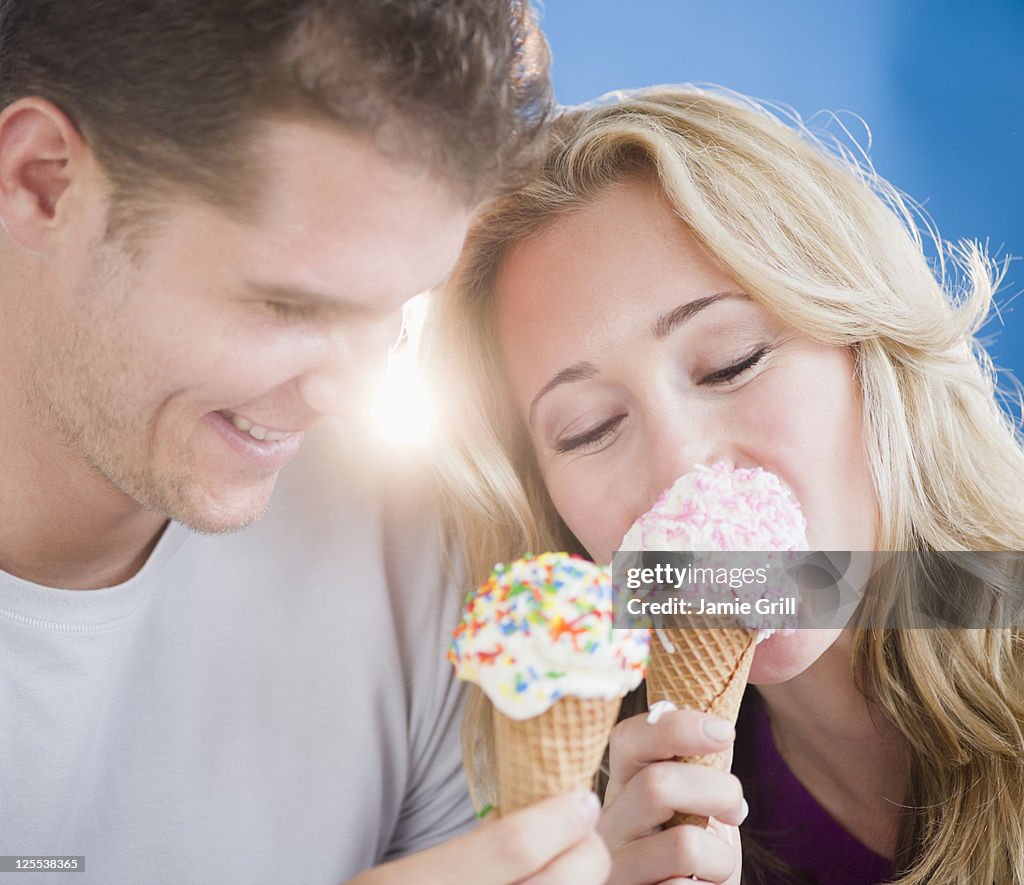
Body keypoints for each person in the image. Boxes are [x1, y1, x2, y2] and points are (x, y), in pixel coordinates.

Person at [0, 3, 612, 883]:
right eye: (291, 306)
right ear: (43, 180)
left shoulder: (419, 543)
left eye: (401, 308)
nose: (359, 404)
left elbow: (837, 578)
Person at [423, 85, 1024, 883]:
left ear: (868, 350)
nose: (680, 472)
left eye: (732, 360)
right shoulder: (588, 819)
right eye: (589, 428)